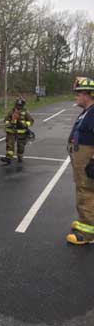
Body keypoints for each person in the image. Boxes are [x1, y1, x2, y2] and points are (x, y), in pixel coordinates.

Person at [66, 77, 94, 245]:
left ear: (88, 95)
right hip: (80, 161)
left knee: (86, 193)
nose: (75, 96)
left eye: (79, 93)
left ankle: (88, 232)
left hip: (87, 163)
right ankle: (85, 221)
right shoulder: (87, 112)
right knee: (84, 191)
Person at [1, 97, 34, 165]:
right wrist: (8, 123)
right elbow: (6, 119)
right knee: (10, 145)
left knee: (20, 147)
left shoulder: (25, 113)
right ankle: (8, 158)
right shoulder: (12, 111)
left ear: (22, 105)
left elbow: (31, 121)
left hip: (21, 133)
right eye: (17, 105)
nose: (18, 106)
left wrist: (24, 124)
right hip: (11, 132)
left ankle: (20, 157)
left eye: (20, 105)